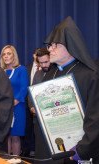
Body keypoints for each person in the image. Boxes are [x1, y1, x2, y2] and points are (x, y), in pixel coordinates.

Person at [43, 16, 99, 163]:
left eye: (55, 45)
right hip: (55, 149)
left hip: (81, 153)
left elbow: (95, 119)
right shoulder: (50, 74)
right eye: (50, 45)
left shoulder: (91, 75)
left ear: (71, 46)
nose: (49, 49)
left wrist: (81, 150)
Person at [0, 45, 28, 155]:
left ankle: (16, 160)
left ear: (14, 55)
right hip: (3, 108)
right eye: (4, 54)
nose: (6, 56)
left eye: (9, 53)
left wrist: (14, 102)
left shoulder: (21, 69)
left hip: (17, 107)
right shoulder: (0, 71)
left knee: (15, 136)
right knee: (6, 135)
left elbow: (24, 89)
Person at [27, 47, 54, 162]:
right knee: (41, 151)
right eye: (41, 63)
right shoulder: (38, 74)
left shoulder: (57, 72)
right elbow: (31, 93)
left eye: (46, 62)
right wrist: (31, 107)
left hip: (53, 119)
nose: (44, 65)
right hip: (38, 120)